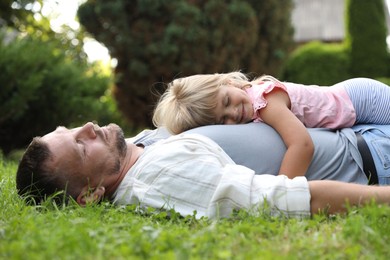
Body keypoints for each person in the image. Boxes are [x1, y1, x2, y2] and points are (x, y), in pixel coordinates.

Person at [15, 122, 390, 219]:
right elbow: (287, 201)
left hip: (358, 128)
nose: (88, 128)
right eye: (82, 147)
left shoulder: (133, 150)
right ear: (92, 194)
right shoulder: (161, 180)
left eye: (70, 130)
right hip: (373, 155)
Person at [152, 72, 390, 179]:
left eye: (226, 101)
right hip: (354, 117)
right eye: (222, 120)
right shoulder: (249, 108)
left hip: (362, 102)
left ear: (228, 82)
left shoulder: (264, 101)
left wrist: (281, 191)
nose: (233, 113)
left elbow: (302, 145)